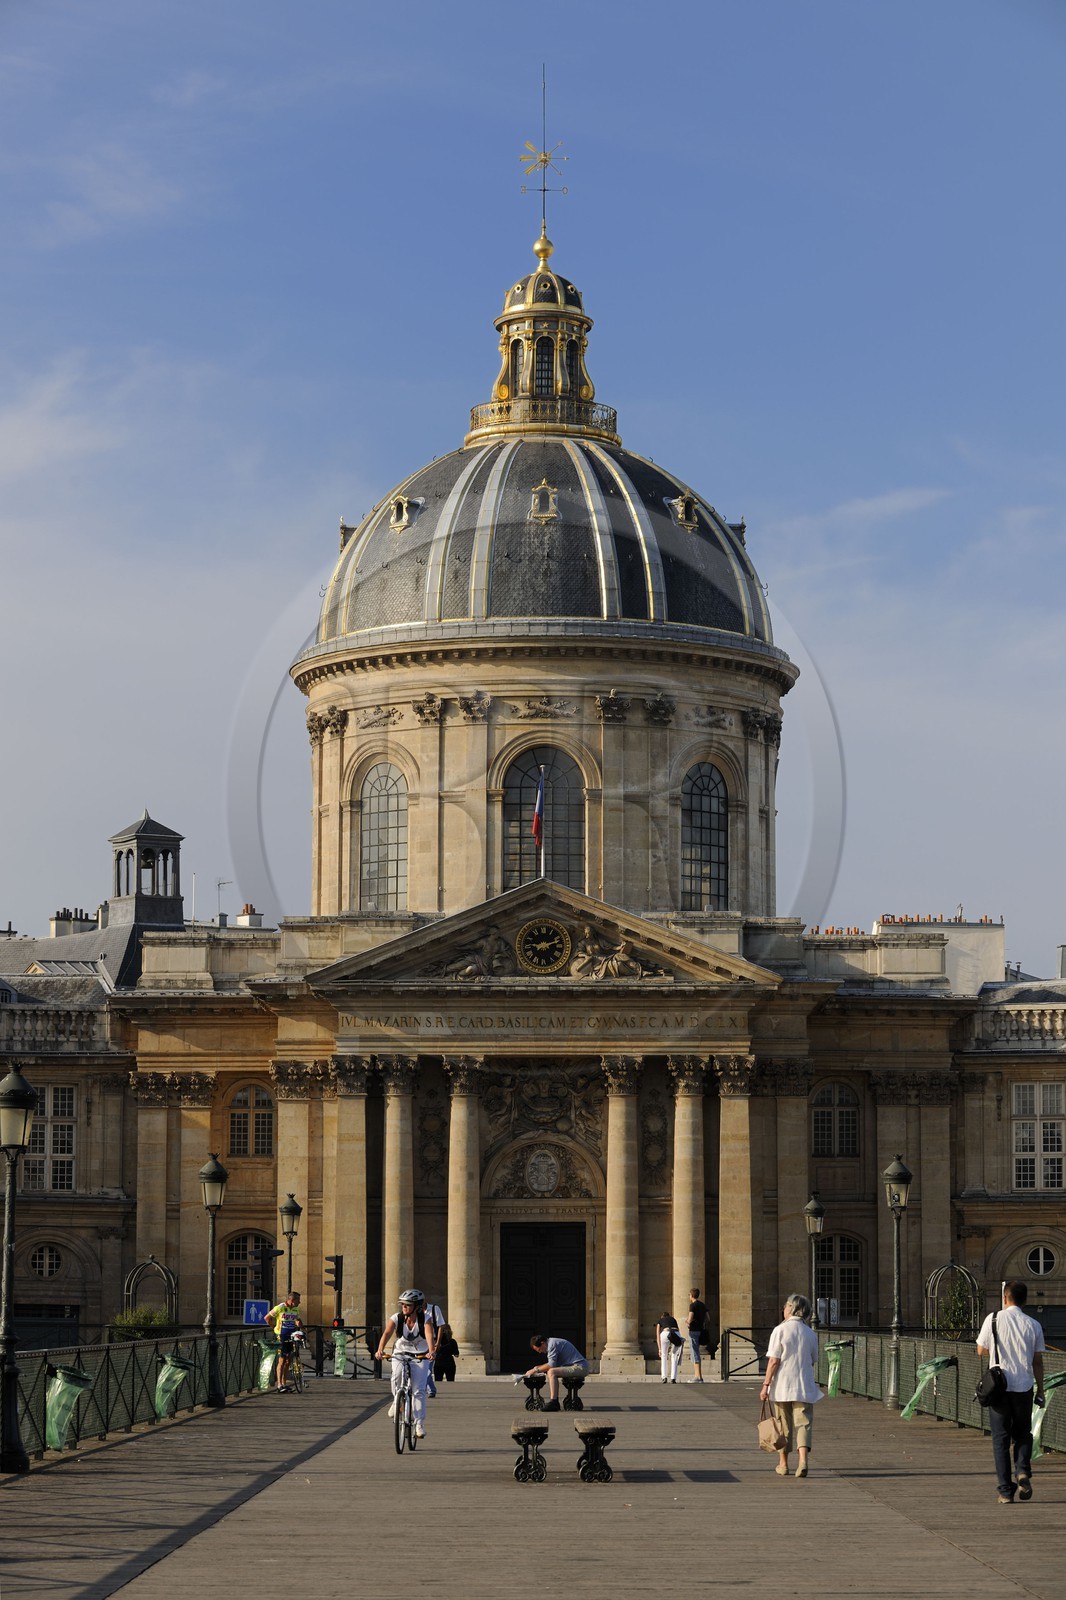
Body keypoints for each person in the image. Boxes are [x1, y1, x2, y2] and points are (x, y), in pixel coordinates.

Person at [976, 1279, 1046, 1503]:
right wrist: (1041, 1390)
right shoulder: (1033, 1324)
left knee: (1001, 1439)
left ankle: (1006, 1492)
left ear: (1005, 1297)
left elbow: (980, 1350)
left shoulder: (993, 1319)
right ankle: (1023, 1471)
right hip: (1024, 1386)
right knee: (1023, 1433)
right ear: (1025, 1300)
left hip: (999, 1387)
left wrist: (998, 1352)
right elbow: (1037, 1362)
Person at [760, 1292, 822, 1477]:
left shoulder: (780, 1330)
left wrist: (765, 1385)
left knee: (783, 1425)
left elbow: (773, 1361)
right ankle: (803, 1461)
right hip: (804, 1385)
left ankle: (784, 1464)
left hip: (782, 1386)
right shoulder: (810, 1333)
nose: (783, 1309)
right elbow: (812, 1360)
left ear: (793, 1308)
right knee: (804, 1424)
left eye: (786, 1305)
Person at [376, 1288, 437, 1439]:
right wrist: (379, 1350)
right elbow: (387, 1333)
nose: (404, 1307)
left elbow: (429, 1334)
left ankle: (419, 1424)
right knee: (396, 1376)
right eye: (403, 1304)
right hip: (400, 1353)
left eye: (407, 1305)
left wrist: (431, 1351)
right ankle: (397, 1401)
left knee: (418, 1390)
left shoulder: (425, 1319)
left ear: (416, 1307)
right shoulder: (397, 1318)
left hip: (420, 1355)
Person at [526, 1333, 589, 1410]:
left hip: (580, 1367)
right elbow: (552, 1364)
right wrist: (537, 1368)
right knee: (550, 1371)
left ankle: (554, 1402)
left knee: (552, 1372)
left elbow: (551, 1365)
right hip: (575, 1366)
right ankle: (554, 1401)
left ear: (542, 1343)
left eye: (539, 1349)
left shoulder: (552, 1345)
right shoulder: (552, 1342)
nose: (540, 1352)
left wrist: (534, 1370)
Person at [265, 1290, 303, 1393]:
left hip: (291, 1336)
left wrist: (298, 1323)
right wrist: (273, 1327)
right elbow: (267, 1317)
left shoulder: (295, 1309)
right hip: (281, 1336)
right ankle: (279, 1385)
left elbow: (296, 1319)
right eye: (298, 1300)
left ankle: (284, 1383)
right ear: (292, 1300)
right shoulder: (280, 1307)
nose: (300, 1302)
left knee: (287, 1361)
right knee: (281, 1360)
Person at [423, 1297, 446, 1397]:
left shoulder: (434, 1309)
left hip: (432, 1342)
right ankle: (431, 1390)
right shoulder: (417, 1311)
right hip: (420, 1344)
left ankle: (427, 1390)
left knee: (428, 1369)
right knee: (423, 1368)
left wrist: (437, 1343)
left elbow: (441, 1326)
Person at [685, 1287, 709, 1382]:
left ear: (691, 1295)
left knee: (694, 1352)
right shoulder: (703, 1305)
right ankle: (699, 1376)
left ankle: (697, 1376)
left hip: (694, 1330)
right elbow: (708, 1318)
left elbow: (690, 1318)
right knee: (697, 1352)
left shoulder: (693, 1305)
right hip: (701, 1330)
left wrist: (687, 1322)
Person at [656, 1311, 684, 1383]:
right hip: (676, 1333)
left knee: (664, 1355)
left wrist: (659, 1349)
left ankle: (664, 1377)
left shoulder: (661, 1320)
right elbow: (678, 1329)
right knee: (674, 1356)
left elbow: (658, 1335)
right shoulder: (673, 1319)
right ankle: (673, 1378)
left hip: (665, 1333)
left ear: (662, 1316)